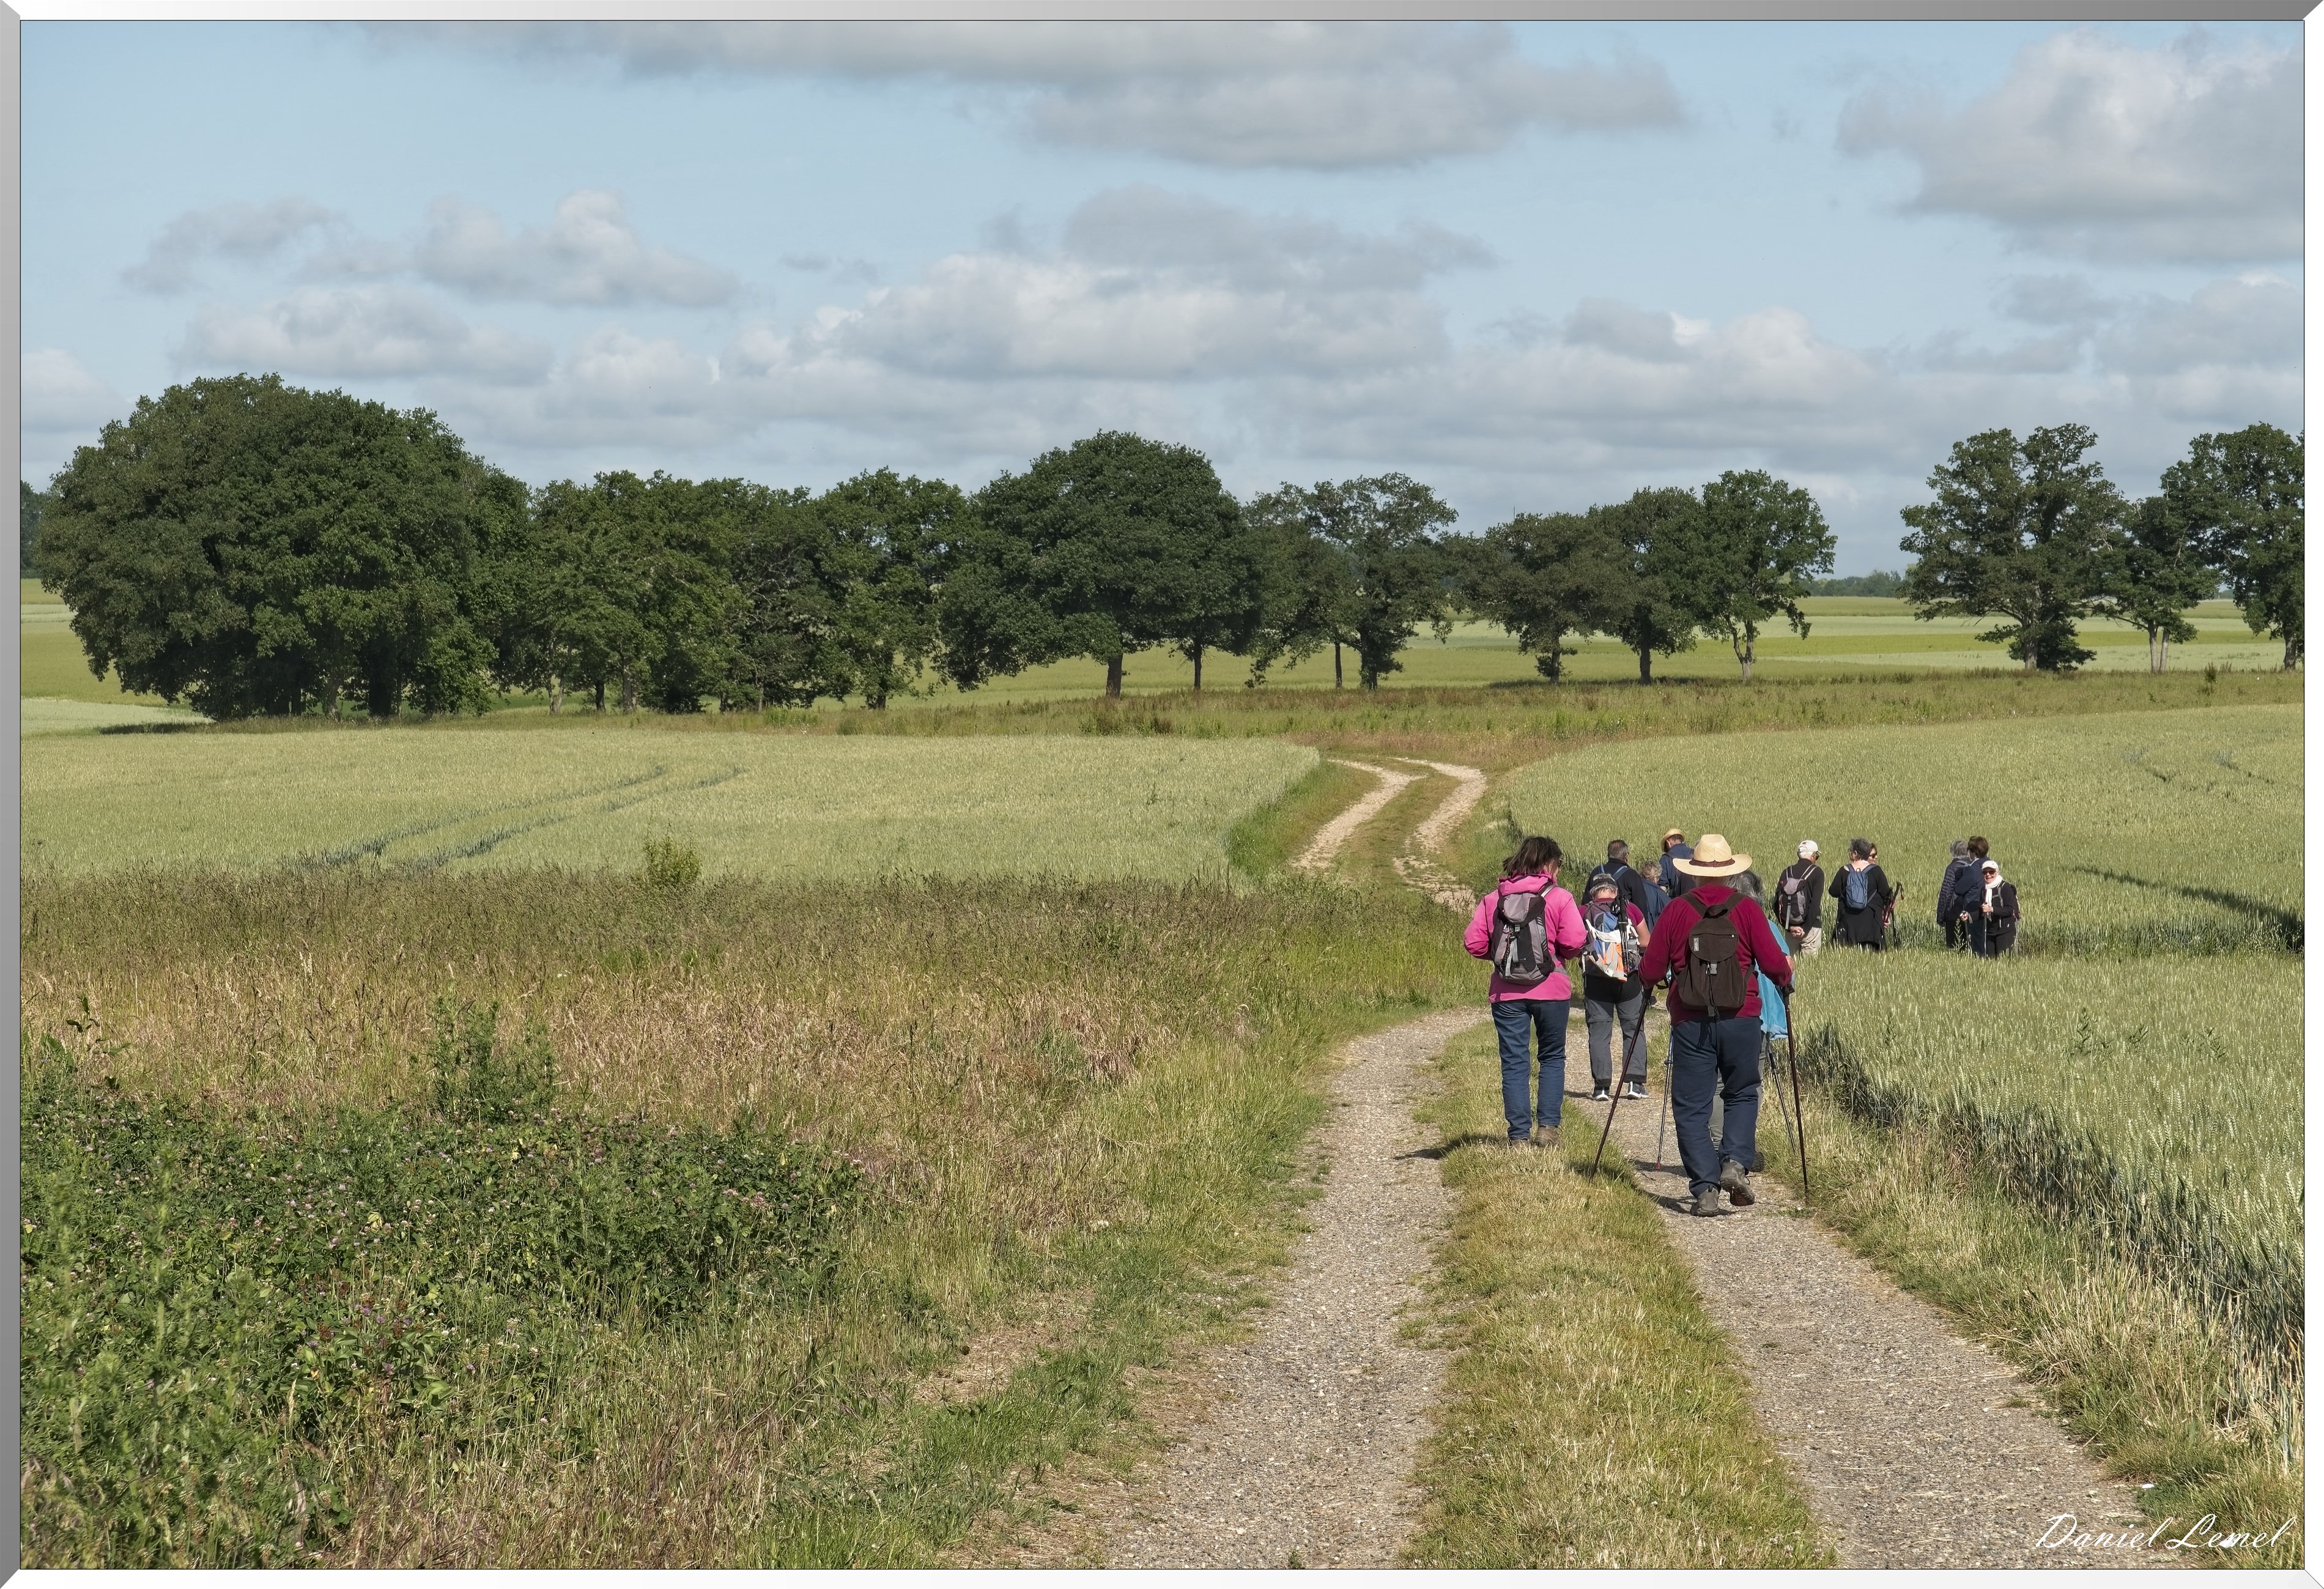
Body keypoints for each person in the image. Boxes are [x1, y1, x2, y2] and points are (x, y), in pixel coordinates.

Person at [1635, 835, 1792, 1217]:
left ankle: (1705, 1188)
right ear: (1730, 872)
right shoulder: (1747, 909)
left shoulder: (1676, 910)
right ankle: (1734, 1163)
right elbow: (1775, 965)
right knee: (1742, 1092)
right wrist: (1786, 981)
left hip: (1691, 1022)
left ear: (1693, 873)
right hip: (1742, 1019)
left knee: (1691, 1106)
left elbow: (1651, 970)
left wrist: (1648, 981)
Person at [1464, 835, 1586, 1147]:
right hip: (1552, 989)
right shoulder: (1560, 897)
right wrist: (1558, 955)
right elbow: (1575, 941)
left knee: (1514, 1061)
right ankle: (1547, 1130)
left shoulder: (1494, 899)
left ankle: (1518, 1135)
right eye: (1558, 864)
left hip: (1506, 994)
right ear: (1549, 864)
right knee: (1552, 1057)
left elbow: (1474, 943)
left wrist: (1502, 958)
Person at [1578, 871, 1651, 1102]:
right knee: (1633, 1029)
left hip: (1597, 979)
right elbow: (1646, 941)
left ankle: (1601, 1088)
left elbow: (1573, 941)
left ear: (1593, 893)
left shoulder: (1583, 912)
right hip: (1628, 979)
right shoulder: (1631, 909)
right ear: (1615, 891)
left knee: (1600, 1033)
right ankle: (1635, 1084)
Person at [1828, 838, 1895, 950]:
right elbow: (1887, 895)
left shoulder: (1844, 870)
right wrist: (1886, 915)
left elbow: (1833, 891)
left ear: (1855, 853)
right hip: (1872, 924)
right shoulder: (1876, 871)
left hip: (1848, 925)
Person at [1602, 838, 1668, 928]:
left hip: (1599, 928)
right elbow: (1641, 908)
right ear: (1627, 856)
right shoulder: (1631, 875)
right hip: (1624, 927)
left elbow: (1586, 904)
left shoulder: (1597, 872)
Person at [1774, 840, 1824, 957]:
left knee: (1792, 965)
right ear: (1813, 855)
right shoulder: (1817, 873)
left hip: (1791, 930)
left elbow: (1776, 904)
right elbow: (1815, 904)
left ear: (1799, 855)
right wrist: (1805, 929)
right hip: (1811, 930)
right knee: (1811, 966)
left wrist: (1789, 927)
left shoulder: (1787, 872)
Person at [1969, 858, 2019, 956]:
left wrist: (1992, 909)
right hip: (1990, 932)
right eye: (1985, 872)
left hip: (2005, 930)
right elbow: (1982, 912)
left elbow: (2010, 910)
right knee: (1990, 961)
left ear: (1997, 873)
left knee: (2003, 960)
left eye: (1991, 872)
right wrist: (1968, 916)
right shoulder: (1984, 890)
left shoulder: (2005, 887)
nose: (1988, 875)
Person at [1938, 840, 1974, 950]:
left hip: (1954, 912)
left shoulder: (1952, 868)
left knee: (1955, 947)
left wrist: (1940, 917)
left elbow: (1946, 893)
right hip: (1972, 911)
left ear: (1952, 852)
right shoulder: (1974, 866)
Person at [1656, 829, 1695, 900]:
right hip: (1697, 901)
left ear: (1668, 843)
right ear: (1681, 841)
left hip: (1678, 902)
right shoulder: (1694, 853)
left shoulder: (1666, 859)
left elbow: (1662, 888)